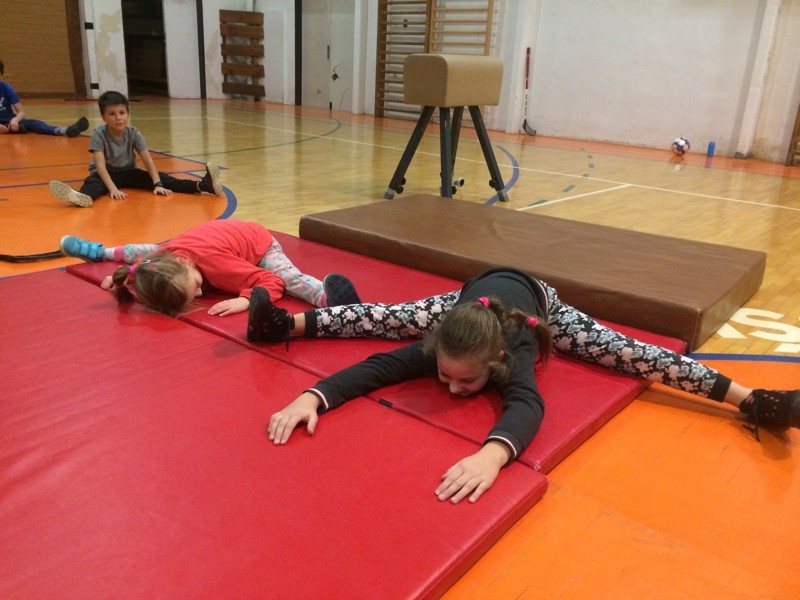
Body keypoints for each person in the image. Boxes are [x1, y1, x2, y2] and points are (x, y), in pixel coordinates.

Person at [250, 266, 800, 504]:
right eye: (443, 375)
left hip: (537, 301)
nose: (452, 390)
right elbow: (377, 367)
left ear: (494, 363)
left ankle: (751, 398)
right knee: (383, 317)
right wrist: (311, 396)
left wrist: (491, 456)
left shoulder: (513, 349)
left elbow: (527, 404)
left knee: (632, 354)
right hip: (468, 300)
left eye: (467, 382)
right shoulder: (445, 339)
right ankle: (283, 324)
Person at [59, 219, 362, 317]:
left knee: (289, 277)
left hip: (258, 244)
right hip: (202, 241)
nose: (202, 293)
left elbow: (270, 280)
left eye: (195, 286)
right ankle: (101, 252)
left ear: (184, 264)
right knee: (149, 250)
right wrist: (123, 278)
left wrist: (246, 299)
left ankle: (330, 297)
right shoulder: (160, 262)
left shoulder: (216, 265)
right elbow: (142, 266)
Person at [48, 90, 222, 208]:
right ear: (103, 117)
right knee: (94, 184)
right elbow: (100, 166)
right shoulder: (98, 134)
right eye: (112, 114)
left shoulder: (134, 133)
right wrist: (113, 189)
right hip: (106, 174)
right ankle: (82, 197)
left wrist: (157, 184)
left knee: (164, 179)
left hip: (129, 172)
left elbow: (147, 159)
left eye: (122, 113)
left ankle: (203, 185)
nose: (118, 117)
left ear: (127, 114)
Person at [0, 59, 89, 137]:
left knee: (35, 123)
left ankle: (64, 130)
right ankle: (15, 129)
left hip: (10, 121)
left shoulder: (7, 89)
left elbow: (21, 113)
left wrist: (15, 120)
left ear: (1, 75)